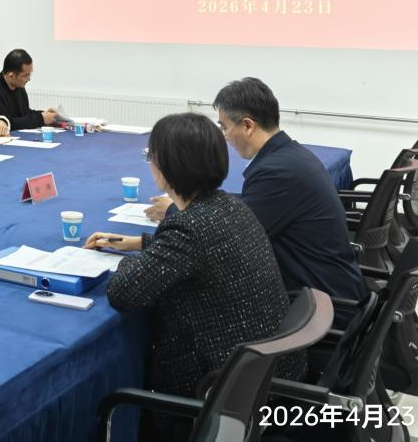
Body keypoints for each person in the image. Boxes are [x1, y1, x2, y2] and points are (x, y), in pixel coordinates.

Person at [86, 112, 298, 442]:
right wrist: (145, 244)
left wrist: (133, 259)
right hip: (268, 379)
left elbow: (124, 291)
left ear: (165, 167)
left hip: (215, 390)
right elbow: (203, 253)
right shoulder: (231, 205)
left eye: (150, 156)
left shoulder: (189, 228)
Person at [144, 78, 366, 307]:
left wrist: (176, 209)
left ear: (248, 126)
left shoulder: (276, 172)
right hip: (326, 288)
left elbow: (230, 239)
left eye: (224, 127)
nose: (224, 136)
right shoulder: (289, 156)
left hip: (319, 303)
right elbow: (246, 207)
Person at [0, 48, 58, 131]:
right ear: (11, 75)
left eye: (30, 74)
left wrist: (45, 114)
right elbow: (7, 123)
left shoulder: (19, 86)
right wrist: (41, 118)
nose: (29, 79)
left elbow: (25, 113)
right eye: (26, 76)